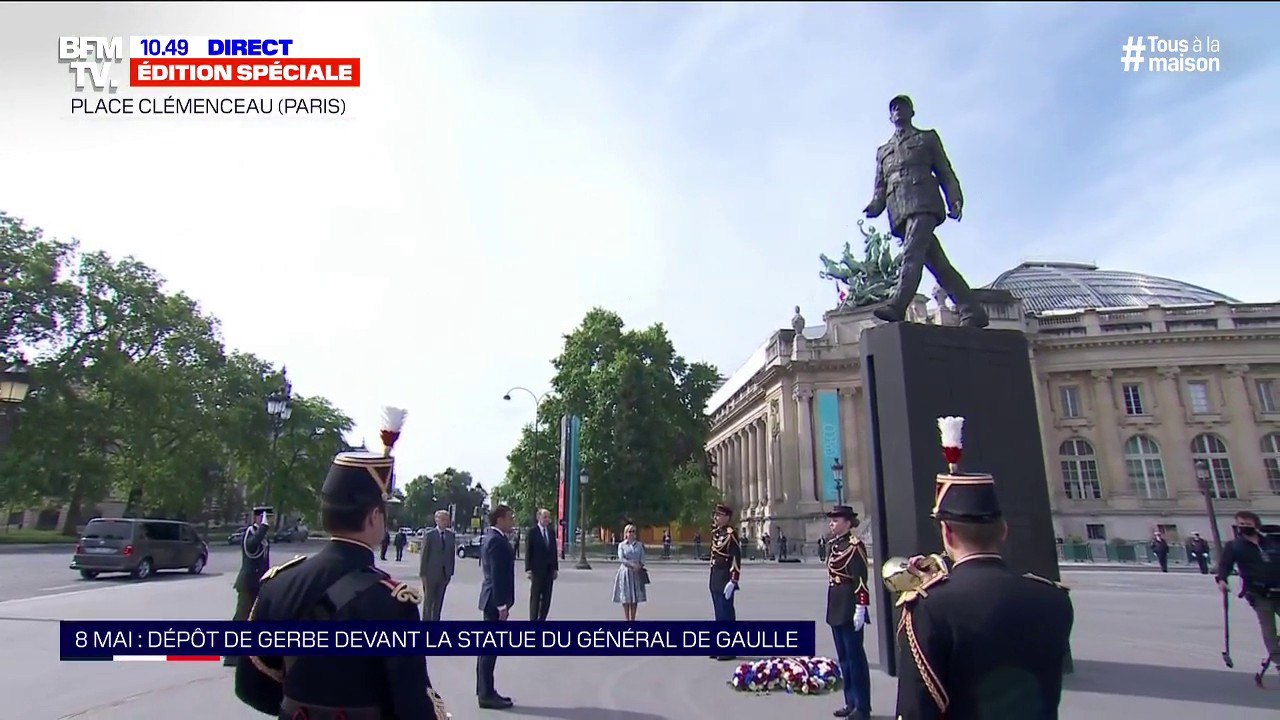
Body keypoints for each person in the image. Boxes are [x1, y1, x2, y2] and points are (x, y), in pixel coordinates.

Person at [234, 449, 450, 719]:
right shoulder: (392, 602)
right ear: (373, 517)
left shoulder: (278, 584)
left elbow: (249, 687)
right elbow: (414, 708)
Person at [894, 471, 1073, 719]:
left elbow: (916, 709)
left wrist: (936, 590)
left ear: (947, 533)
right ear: (1004, 530)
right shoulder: (1054, 599)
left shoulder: (929, 608)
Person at [864, 94, 987, 328]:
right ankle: (971, 309)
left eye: (903, 106)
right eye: (894, 108)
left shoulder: (927, 138)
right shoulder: (883, 151)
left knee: (911, 253)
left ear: (911, 112)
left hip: (924, 202)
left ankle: (898, 304)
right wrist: (875, 205)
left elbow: (944, 170)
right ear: (890, 117)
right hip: (899, 209)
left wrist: (954, 198)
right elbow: (880, 185)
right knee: (938, 264)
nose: (898, 110)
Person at [1215, 511, 1280, 669]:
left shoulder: (1271, 541)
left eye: (1248, 524)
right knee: (1268, 627)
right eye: (1241, 524)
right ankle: (1278, 659)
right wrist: (1222, 580)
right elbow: (1224, 565)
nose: (1244, 527)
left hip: (1278, 588)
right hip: (1257, 592)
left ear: (1256, 524)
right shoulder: (1234, 546)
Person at [825, 506, 872, 719]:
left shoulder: (855, 546)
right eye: (831, 520)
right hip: (836, 605)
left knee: (855, 659)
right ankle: (850, 701)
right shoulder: (833, 545)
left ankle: (862, 706)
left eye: (836, 520)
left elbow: (861, 579)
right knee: (844, 659)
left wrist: (861, 607)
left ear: (847, 523)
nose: (831, 524)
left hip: (850, 605)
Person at [477, 504, 516, 710]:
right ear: (500, 519)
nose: (512, 521)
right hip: (494, 601)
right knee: (489, 649)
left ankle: (485, 690)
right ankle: (486, 694)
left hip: (493, 599)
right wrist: (502, 605)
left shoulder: (496, 538)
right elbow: (497, 575)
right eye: (510, 518)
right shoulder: (495, 540)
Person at [224, 505, 271, 667]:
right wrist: (263, 528)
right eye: (264, 517)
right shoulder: (249, 533)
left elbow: (264, 561)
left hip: (258, 583)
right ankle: (231, 655)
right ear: (257, 517)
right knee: (241, 618)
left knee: (256, 619)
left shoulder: (262, 536)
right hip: (247, 583)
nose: (267, 521)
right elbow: (251, 546)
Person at [709, 504, 741, 661]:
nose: (716, 518)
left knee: (726, 614)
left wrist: (733, 580)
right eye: (715, 515)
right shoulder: (717, 533)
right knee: (718, 614)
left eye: (719, 515)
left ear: (727, 517)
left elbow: (736, 558)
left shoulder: (731, 534)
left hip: (725, 578)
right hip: (715, 577)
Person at [419, 509, 456, 622]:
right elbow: (424, 555)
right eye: (443, 519)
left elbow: (451, 555)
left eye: (447, 520)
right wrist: (423, 574)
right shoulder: (430, 535)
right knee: (428, 602)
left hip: (444, 575)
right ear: (436, 520)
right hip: (430, 574)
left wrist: (450, 573)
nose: (445, 522)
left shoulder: (451, 536)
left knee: (438, 603)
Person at [525, 508, 559, 621]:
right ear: (538, 517)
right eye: (545, 517)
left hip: (549, 570)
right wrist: (528, 569)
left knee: (547, 598)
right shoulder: (532, 532)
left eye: (548, 517)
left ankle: (542, 619)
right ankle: (533, 619)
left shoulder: (551, 532)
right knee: (535, 597)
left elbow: (553, 551)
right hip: (536, 570)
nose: (547, 520)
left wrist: (555, 568)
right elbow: (528, 551)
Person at [613, 524, 648, 621]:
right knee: (626, 596)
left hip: (636, 573)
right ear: (626, 533)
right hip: (625, 572)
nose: (631, 533)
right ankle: (627, 618)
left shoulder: (639, 545)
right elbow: (621, 558)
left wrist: (639, 565)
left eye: (633, 531)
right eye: (629, 531)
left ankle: (633, 618)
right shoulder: (622, 545)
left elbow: (643, 558)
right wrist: (632, 565)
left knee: (634, 597)